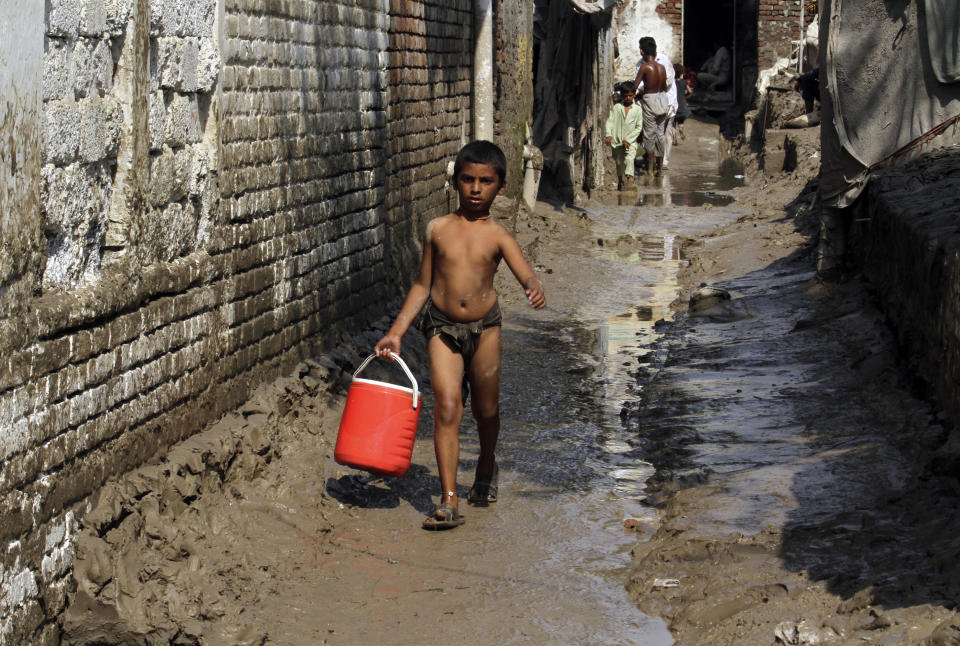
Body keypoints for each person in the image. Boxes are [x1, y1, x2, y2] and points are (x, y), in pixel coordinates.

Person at [374, 140, 547, 531]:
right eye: (468, 179)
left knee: (486, 410)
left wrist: (533, 285)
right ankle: (449, 498)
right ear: (455, 181)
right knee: (448, 407)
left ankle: (486, 465)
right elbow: (422, 284)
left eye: (485, 181)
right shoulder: (437, 229)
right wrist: (397, 332)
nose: (475, 188)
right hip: (440, 328)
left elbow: (525, 272)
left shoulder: (499, 236)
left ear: (500, 187)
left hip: (485, 329)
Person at [634, 37, 677, 169]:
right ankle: (659, 167)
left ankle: (651, 168)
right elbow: (665, 83)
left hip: (652, 99)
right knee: (659, 134)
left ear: (642, 51)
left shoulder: (645, 67)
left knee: (649, 134)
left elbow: (636, 85)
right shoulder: (662, 67)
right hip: (663, 98)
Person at [604, 80, 643, 190]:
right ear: (622, 95)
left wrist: (629, 140)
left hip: (631, 143)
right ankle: (621, 181)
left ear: (634, 95)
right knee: (619, 162)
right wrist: (608, 134)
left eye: (630, 96)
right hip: (617, 142)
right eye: (625, 96)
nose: (628, 98)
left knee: (629, 159)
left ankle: (630, 180)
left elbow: (638, 127)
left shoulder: (637, 110)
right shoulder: (617, 108)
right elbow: (610, 121)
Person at [672, 63, 691, 143]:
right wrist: (686, 95)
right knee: (681, 121)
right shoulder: (684, 82)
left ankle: (674, 137)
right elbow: (690, 91)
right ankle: (681, 129)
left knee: (673, 123)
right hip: (682, 107)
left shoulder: (672, 83)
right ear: (681, 73)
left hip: (674, 106)